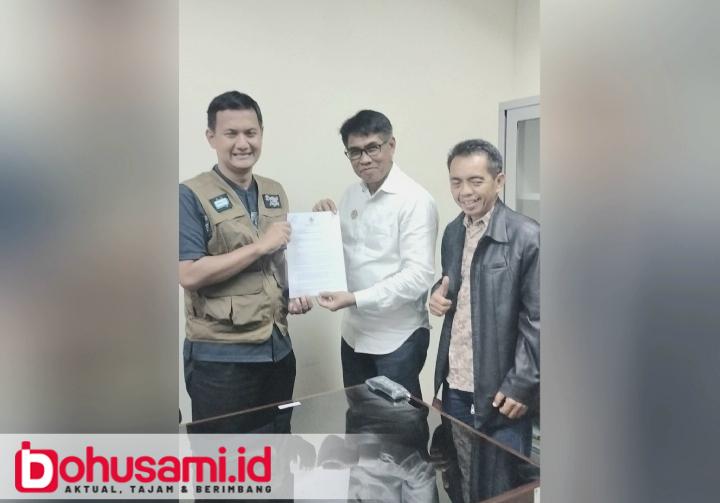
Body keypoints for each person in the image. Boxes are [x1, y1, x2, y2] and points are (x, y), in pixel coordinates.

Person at [179, 90, 312, 422]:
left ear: (261, 134)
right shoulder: (190, 195)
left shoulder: (273, 190)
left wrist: (295, 291)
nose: (243, 143)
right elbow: (189, 274)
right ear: (211, 137)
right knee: (224, 454)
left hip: (277, 348)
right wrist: (259, 246)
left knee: (278, 444)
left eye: (251, 133)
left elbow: (277, 262)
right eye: (231, 133)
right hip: (222, 358)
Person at [313, 109, 438, 399]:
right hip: (353, 334)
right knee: (359, 416)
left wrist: (356, 298)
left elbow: (418, 276)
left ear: (391, 145)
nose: (365, 159)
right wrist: (320, 223)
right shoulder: (351, 195)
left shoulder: (415, 200)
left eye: (372, 148)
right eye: (355, 152)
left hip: (397, 338)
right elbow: (342, 256)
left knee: (399, 423)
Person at [429, 139, 539, 456]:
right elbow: (459, 284)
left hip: (502, 390)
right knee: (459, 472)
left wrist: (522, 384)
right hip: (455, 382)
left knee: (502, 478)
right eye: (456, 182)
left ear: (498, 180)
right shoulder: (454, 232)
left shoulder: (527, 235)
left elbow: (540, 319)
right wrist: (435, 295)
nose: (465, 191)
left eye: (475, 181)